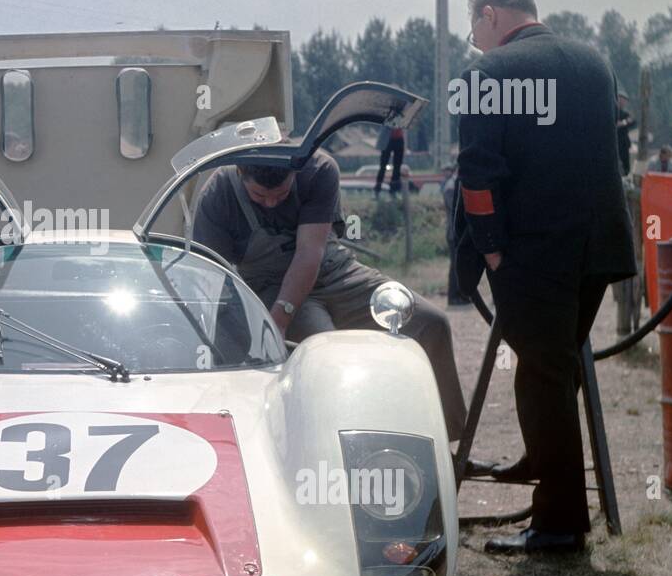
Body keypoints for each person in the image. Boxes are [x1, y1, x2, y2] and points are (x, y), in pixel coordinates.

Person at [456, 0, 636, 556]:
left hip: (535, 255)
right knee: (553, 367)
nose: (474, 41)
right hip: (600, 249)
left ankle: (559, 524)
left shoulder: (485, 74)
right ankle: (544, 465)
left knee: (542, 375)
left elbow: (477, 174)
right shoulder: (595, 63)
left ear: (490, 16)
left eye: (474, 28)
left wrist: (489, 249)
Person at [191, 151, 470, 447]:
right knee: (328, 354)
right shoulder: (217, 197)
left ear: (295, 173)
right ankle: (349, 454)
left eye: (281, 194)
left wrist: (280, 318)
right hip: (270, 287)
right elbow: (212, 278)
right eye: (260, 196)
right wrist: (252, 332)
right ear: (239, 173)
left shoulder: (318, 169)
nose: (272, 203)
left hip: (335, 273)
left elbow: (310, 252)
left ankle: (445, 445)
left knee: (430, 323)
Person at [440, 162, 470, 305]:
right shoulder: (451, 188)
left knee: (460, 265)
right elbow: (456, 209)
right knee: (455, 266)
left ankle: (462, 295)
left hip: (458, 232)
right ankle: (453, 296)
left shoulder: (455, 185)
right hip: (454, 233)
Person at [373, 122, 405, 196]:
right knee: (383, 165)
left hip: (399, 139)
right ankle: (378, 188)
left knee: (397, 166)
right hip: (387, 139)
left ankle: (393, 189)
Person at [614, 90, 634, 176]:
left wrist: (624, 123)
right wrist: (624, 123)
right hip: (614, 141)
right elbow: (615, 124)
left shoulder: (626, 113)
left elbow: (632, 122)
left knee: (625, 162)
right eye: (621, 100)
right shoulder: (613, 112)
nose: (623, 102)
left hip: (624, 142)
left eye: (624, 101)